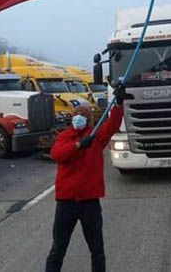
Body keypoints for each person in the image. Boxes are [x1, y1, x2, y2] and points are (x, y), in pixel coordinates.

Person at [45, 83, 127, 272]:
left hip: (90, 202)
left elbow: (113, 124)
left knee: (97, 250)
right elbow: (57, 154)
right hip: (66, 204)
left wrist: (119, 103)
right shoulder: (65, 137)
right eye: (76, 116)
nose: (78, 118)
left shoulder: (96, 137)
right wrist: (79, 145)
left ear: (89, 120)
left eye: (82, 116)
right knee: (58, 249)